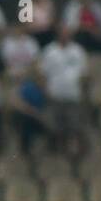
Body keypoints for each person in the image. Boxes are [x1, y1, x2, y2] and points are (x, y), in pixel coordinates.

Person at [40, 24, 88, 158]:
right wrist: (46, 91)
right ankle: (57, 152)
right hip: (55, 95)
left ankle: (72, 153)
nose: (65, 35)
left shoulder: (78, 51)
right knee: (55, 126)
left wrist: (83, 92)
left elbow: (84, 74)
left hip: (73, 95)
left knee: (74, 125)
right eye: (63, 32)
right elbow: (43, 74)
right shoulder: (49, 51)